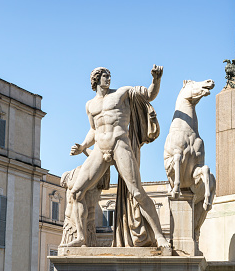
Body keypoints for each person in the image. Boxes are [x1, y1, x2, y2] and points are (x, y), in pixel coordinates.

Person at [66, 65, 169, 248]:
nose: (109, 79)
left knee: (137, 192)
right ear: (96, 79)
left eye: (110, 76)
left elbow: (149, 95)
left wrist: (156, 80)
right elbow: (93, 129)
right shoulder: (90, 105)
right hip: (100, 149)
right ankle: (81, 238)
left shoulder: (122, 93)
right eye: (105, 76)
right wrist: (83, 146)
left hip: (120, 144)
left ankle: (160, 237)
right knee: (76, 192)